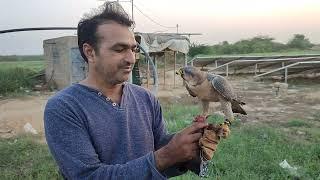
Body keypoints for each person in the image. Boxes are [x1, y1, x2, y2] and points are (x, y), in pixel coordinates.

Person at [44, 2, 207, 179]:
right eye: (119, 49)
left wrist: (191, 145)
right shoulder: (64, 107)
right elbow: (89, 176)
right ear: (90, 52)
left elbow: (158, 151)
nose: (131, 58)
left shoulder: (145, 97)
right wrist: (167, 154)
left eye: (133, 49)